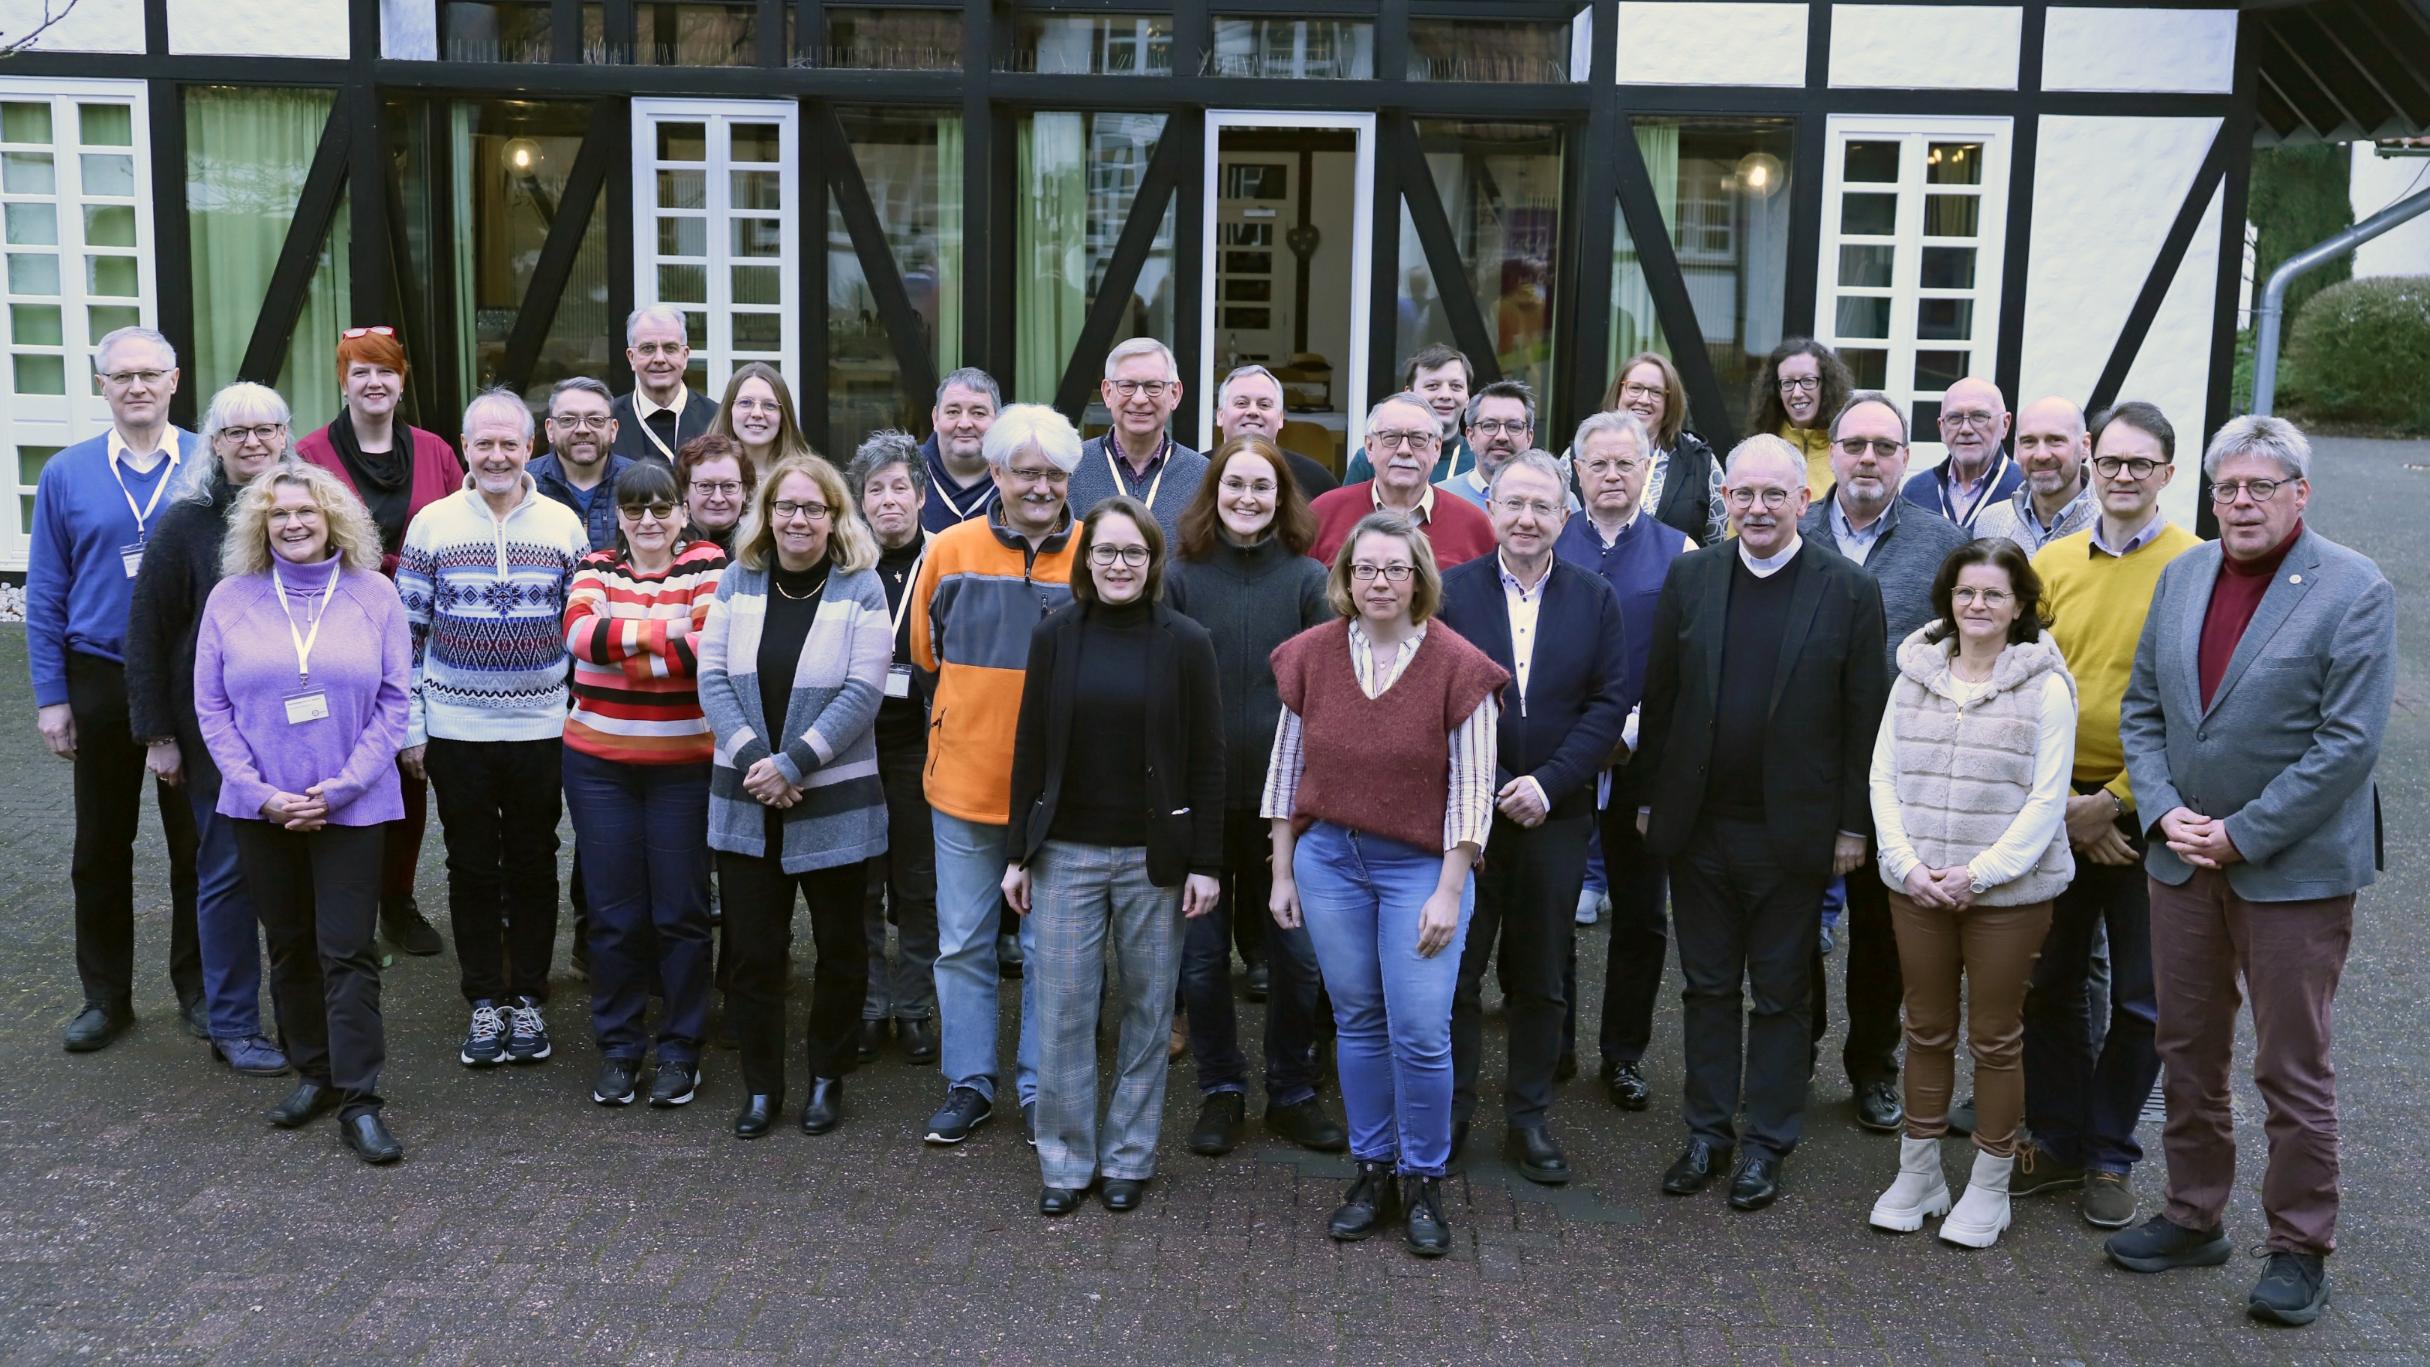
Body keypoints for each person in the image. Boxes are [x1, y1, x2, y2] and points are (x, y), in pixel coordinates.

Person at [2107, 416, 2395, 1327]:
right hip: (2181, 857)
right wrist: (2161, 810)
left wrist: (2241, 832)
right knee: (2185, 1046)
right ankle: (2194, 1214)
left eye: (2259, 487)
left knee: (2290, 1064)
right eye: (2226, 487)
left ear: (2299, 495)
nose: (2239, 503)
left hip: (2294, 872)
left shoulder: (2354, 588)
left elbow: (2346, 745)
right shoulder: (2183, 573)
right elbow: (2144, 707)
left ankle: (2300, 1245)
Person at [1633, 435, 1887, 1212]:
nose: (1758, 508)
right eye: (1742, 495)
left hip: (1796, 832)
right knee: (1707, 986)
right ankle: (1708, 1132)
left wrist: (1853, 826)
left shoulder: (1847, 590)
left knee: (1780, 994)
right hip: (1700, 826)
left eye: (1774, 495)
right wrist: (1649, 799)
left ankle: (1767, 1142)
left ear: (1803, 502)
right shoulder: (1692, 576)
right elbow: (1663, 695)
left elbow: (1862, 718)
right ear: (1726, 502)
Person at [1266, 511, 1508, 1257]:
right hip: (1329, 861)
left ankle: (1424, 1177)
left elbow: (1474, 788)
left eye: (1394, 569)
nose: (1378, 581)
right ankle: (1372, 1170)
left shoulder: (1458, 664)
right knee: (1359, 1019)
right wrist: (1281, 868)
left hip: (1422, 869)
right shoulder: (1309, 656)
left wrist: (1449, 887)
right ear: (1344, 577)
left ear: (1419, 578)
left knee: (1421, 1029)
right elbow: (1284, 770)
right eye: (1364, 568)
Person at [1004, 496, 1225, 1215]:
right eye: (1106, 552)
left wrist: (1207, 862)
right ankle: (1065, 1161)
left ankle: (1129, 1156)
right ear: (1085, 558)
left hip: (1153, 857)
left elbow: (1207, 760)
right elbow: (1030, 748)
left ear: (1154, 560)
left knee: (1147, 1010)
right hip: (1065, 851)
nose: (1119, 565)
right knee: (1064, 1008)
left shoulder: (1187, 641)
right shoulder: (1056, 634)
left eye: (1133, 553)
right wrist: (1017, 854)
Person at [192, 463, 411, 1164]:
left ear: (333, 521)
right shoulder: (231, 599)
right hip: (262, 808)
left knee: (346, 950)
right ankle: (313, 1071)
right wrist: (261, 791)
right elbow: (211, 709)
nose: (293, 523)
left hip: (354, 804)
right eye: (279, 513)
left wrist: (342, 787)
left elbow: (394, 704)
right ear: (261, 523)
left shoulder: (376, 595)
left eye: (306, 513)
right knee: (288, 945)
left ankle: (361, 1097)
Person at [2019, 400, 2203, 1229]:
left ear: (2168, 472)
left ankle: (2108, 1152)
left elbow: (2198, 711)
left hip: (2145, 812)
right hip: (2056, 804)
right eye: (2112, 462)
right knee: (2048, 984)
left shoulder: (2196, 568)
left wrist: (2115, 803)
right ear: (2092, 465)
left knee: (2142, 998)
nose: (2123, 477)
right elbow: (2024, 690)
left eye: (2142, 464)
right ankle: (2055, 1140)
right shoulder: (2053, 563)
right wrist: (2063, 804)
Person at [1865, 539, 2077, 1249]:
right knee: (1924, 1028)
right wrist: (1905, 861)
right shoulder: (1913, 676)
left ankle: (1989, 1185)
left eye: (1992, 594)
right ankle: (1919, 1171)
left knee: (1995, 1037)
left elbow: (2047, 803)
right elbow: (1882, 778)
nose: (1977, 605)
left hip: (2008, 896)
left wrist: (1977, 872)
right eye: (1964, 592)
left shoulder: (2046, 685)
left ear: (2020, 603)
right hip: (1916, 884)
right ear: (1946, 600)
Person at [1438, 452, 1629, 1185]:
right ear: (1493, 508)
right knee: (1456, 970)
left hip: (1555, 815)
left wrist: (1547, 785)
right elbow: (1435, 701)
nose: (1525, 519)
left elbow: (1607, 702)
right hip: (1467, 816)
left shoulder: (1594, 597)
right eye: (1513, 504)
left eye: (1541, 507)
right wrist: (1485, 789)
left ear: (1564, 516)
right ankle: (1451, 1111)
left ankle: (1527, 1116)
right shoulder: (1450, 592)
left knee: (1541, 974)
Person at [697, 454, 891, 1139]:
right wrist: (760, 763)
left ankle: (827, 1077)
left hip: (831, 794)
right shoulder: (737, 578)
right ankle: (761, 1087)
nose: (799, 519)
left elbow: (862, 693)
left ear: (836, 516)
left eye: (814, 508)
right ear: (766, 514)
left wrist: (793, 763)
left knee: (841, 947)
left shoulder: (860, 586)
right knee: (753, 952)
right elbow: (712, 678)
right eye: (787, 507)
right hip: (748, 796)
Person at [396, 389, 589, 1071]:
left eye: (510, 443)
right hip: (456, 726)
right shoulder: (432, 524)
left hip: (543, 725)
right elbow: (406, 637)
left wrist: (578, 717)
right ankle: (484, 996)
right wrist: (412, 726)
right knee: (471, 863)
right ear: (465, 448)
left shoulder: (565, 525)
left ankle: (530, 994)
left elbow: (583, 630)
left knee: (537, 859)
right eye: (485, 444)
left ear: (531, 446)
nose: (498, 455)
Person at [26, 325, 205, 1052]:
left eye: (148, 373)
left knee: (196, 844)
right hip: (96, 672)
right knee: (101, 844)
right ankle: (106, 996)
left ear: (173, 380)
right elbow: (45, 591)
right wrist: (50, 695)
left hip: (187, 671)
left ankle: (200, 989)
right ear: (101, 385)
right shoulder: (67, 473)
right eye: (120, 375)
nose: (136, 385)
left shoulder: (205, 462)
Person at [1165, 436, 1345, 1157]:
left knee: (1298, 962)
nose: (1247, 498)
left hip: (1288, 813)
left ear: (1281, 498)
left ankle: (1291, 1092)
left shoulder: (1309, 580)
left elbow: (1328, 695)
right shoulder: (1179, 579)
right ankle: (1222, 1089)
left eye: (1261, 488)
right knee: (1202, 962)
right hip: (1202, 809)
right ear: (1213, 494)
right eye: (1233, 485)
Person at [908, 404, 1083, 1145]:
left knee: (1054, 951)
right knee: (963, 943)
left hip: (1065, 792)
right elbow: (924, 653)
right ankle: (970, 1081)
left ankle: (1043, 1087)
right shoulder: (949, 548)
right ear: (998, 472)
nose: (1039, 486)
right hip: (966, 783)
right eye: (1025, 471)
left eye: (1053, 473)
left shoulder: (1097, 554)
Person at [1797, 392, 1970, 1133]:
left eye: (1884, 446)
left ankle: (1872, 1064)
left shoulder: (1941, 542)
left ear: (1906, 458)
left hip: (1900, 772)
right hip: (1798, 768)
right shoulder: (1793, 529)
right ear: (1831, 452)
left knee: (1882, 934)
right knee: (1790, 925)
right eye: (1855, 444)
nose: (1868, 458)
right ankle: (1788, 1057)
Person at [124, 382, 297, 1076]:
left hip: (302, 731)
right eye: (236, 431)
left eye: (266, 428)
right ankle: (232, 1024)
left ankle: (302, 1017)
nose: (252, 441)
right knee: (227, 874)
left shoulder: (307, 512)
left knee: (298, 879)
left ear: (286, 434)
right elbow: (146, 633)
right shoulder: (186, 524)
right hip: (214, 736)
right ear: (214, 442)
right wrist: (156, 734)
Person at [561, 461, 726, 1109]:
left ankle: (682, 1048)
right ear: (619, 518)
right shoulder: (595, 565)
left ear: (682, 513)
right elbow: (579, 636)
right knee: (613, 914)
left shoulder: (708, 561)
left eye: (661, 509)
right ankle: (621, 1046)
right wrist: (666, 637)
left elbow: (709, 646)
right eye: (635, 511)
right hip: (599, 767)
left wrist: (624, 643)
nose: (649, 521)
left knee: (681, 913)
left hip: (684, 767)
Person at [295, 323, 462, 957]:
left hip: (420, 627)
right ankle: (340, 904)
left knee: (408, 763)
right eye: (359, 371)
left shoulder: (437, 451)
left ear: (401, 380)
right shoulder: (311, 454)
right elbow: (299, 534)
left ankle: (397, 897)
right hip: (337, 626)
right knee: (337, 758)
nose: (373, 382)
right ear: (343, 381)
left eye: (384, 370)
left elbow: (456, 532)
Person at [1552, 411, 1693, 1112]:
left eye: (1624, 464)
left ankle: (1623, 1053)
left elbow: (1685, 659)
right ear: (1575, 470)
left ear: (1647, 471)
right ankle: (1553, 1042)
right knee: (1550, 904)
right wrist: (1582, 733)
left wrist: (1628, 730)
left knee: (1640, 915)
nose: (1611, 475)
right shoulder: (1547, 537)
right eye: (1597, 464)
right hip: (1558, 756)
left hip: (1644, 758)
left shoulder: (1681, 549)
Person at [846, 431, 941, 1067]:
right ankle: (868, 1005)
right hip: (851, 747)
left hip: (922, 748)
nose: (888, 500)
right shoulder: (843, 564)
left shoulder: (948, 559)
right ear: (859, 501)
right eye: (874, 489)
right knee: (859, 883)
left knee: (919, 885)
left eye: (899, 487)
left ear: (920, 493)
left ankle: (914, 1007)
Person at [1307, 394, 1496, 569]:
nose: (1404, 450)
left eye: (1418, 439)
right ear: (1370, 447)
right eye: (1391, 437)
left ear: (1436, 449)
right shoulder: (1324, 513)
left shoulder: (1473, 524)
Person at [1068, 338, 1208, 538]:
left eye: (1153, 386)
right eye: (1127, 385)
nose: (1140, 399)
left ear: (1175, 394)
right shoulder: (1071, 469)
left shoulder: (1203, 476)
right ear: (1107, 392)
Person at [1606, 351, 1724, 546]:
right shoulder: (1581, 452)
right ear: (1618, 392)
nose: (1644, 399)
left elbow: (1720, 546)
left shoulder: (1700, 461)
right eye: (1635, 388)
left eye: (1656, 392)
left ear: (1671, 402)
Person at [1973, 396, 2097, 553]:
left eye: (2055, 440)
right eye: (2029, 441)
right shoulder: (1989, 523)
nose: (2041, 455)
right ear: (2017, 448)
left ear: (2085, 445)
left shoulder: (2112, 526)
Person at [532, 376, 635, 552]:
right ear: (550, 429)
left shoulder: (639, 483)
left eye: (595, 419)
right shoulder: (524, 485)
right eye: (568, 420)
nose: (582, 429)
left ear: (613, 429)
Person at [1902, 378, 2022, 529]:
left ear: (2005, 424)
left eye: (1979, 416)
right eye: (1955, 418)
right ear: (1941, 428)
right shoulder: (1917, 491)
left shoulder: (2025, 491)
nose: (1966, 429)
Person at [1344, 346, 1476, 484]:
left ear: (1467, 398)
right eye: (1432, 386)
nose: (1445, 395)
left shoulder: (1480, 461)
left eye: (1456, 386)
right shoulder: (1371, 457)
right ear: (1409, 394)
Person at [611, 305, 720, 468]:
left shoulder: (717, 418)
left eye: (670, 348)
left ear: (684, 356)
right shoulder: (607, 419)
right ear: (631, 358)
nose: (659, 358)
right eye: (648, 348)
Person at [1747, 338, 1852, 499]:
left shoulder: (1848, 452)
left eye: (1808, 381)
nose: (1797, 393)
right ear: (1776, 390)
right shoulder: (1758, 452)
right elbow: (1740, 519)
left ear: (1826, 385)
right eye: (1787, 383)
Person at [1212, 364, 1338, 497]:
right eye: (1241, 403)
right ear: (1220, 415)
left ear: (1280, 418)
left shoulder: (1316, 480)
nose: (1253, 411)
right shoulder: (1195, 472)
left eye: (1264, 405)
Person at [1436, 381, 1541, 510]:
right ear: (1470, 436)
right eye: (1490, 425)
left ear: (1529, 438)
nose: (1502, 436)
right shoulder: (1439, 499)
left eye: (1514, 427)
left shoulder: (1558, 501)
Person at [709, 362, 814, 481]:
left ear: (783, 416)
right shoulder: (702, 474)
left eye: (769, 405)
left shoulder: (808, 479)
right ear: (729, 410)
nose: (757, 413)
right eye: (745, 403)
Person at [677, 432, 756, 559]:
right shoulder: (667, 552)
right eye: (705, 486)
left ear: (745, 492)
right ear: (685, 490)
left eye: (729, 486)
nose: (717, 498)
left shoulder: (760, 553)